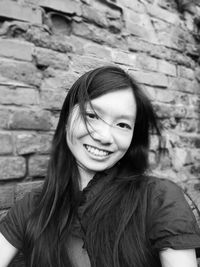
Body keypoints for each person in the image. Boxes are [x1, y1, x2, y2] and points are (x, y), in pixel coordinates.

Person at [0, 65, 200, 267]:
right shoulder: (33, 206)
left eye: (122, 125)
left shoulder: (159, 198)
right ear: (67, 118)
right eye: (92, 115)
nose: (104, 136)